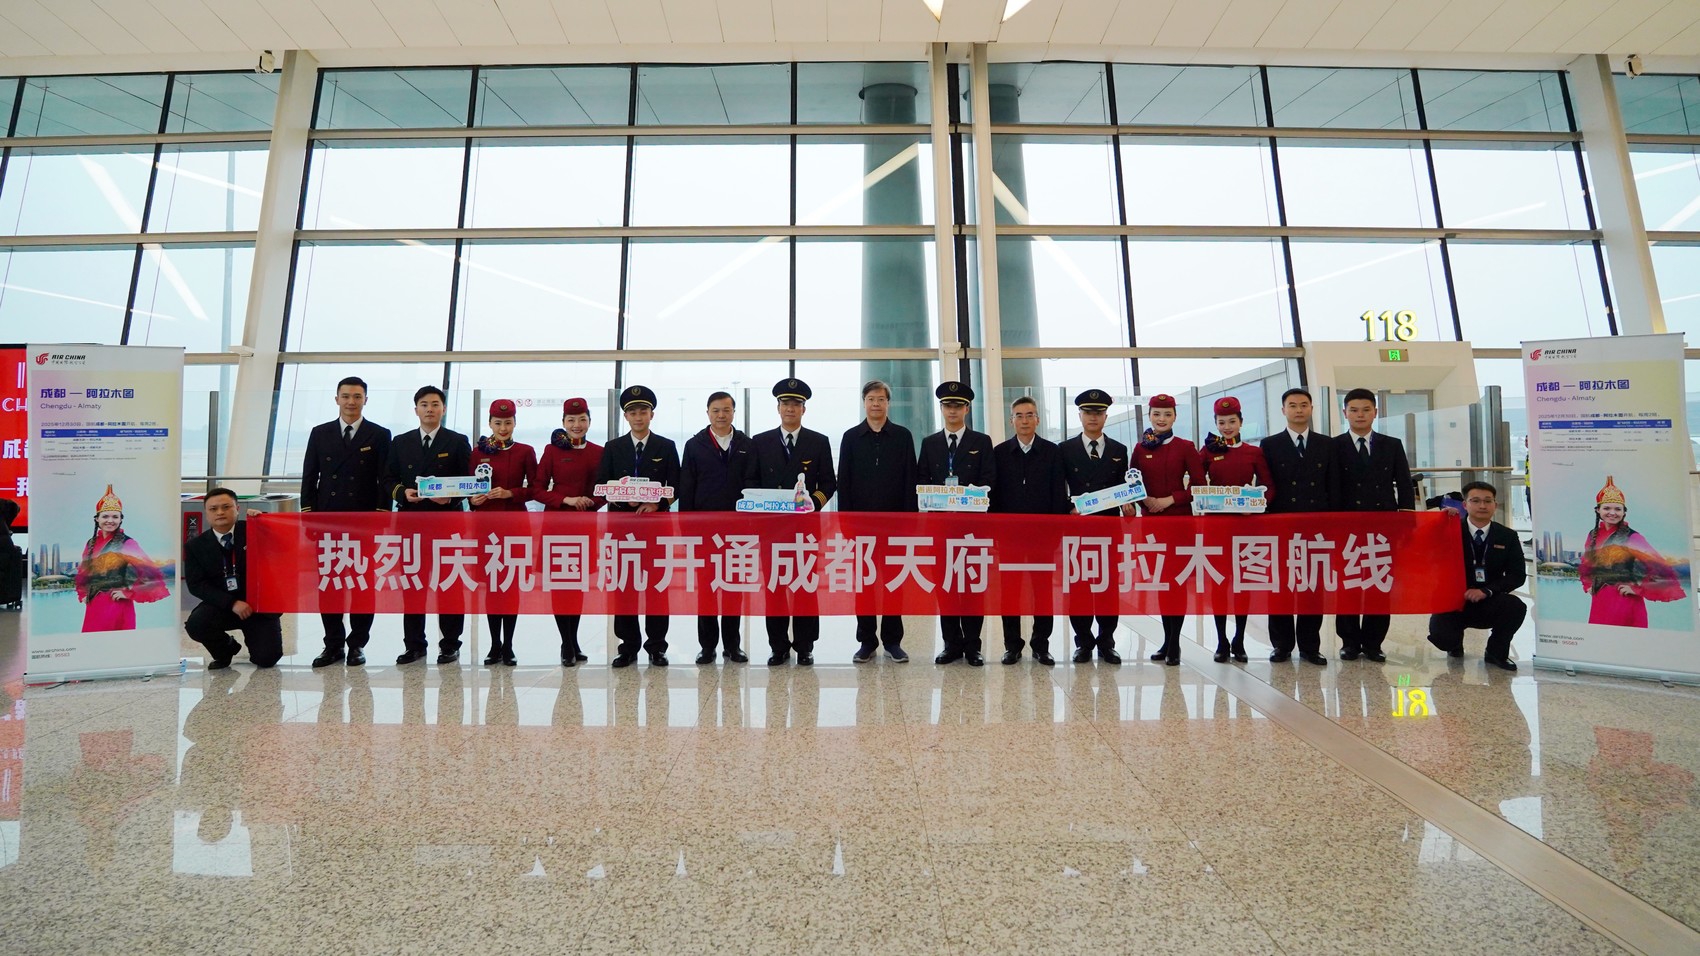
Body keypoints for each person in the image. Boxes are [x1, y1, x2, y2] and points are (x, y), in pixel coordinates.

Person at [301, 375, 392, 668]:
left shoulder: (379, 434)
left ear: (366, 399)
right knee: (330, 585)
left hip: (364, 522)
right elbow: (309, 477)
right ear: (336, 399)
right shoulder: (320, 433)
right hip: (328, 521)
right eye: (346, 396)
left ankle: (357, 645)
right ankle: (333, 645)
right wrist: (309, 516)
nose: (351, 402)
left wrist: (382, 515)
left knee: (363, 585)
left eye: (357, 396)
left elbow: (385, 479)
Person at [383, 385, 473, 666]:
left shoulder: (457, 441)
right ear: (416, 410)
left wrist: (451, 497)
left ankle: (450, 644)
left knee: (450, 584)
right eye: (424, 404)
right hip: (411, 523)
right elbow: (387, 479)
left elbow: (469, 481)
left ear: (443, 409)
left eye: (435, 404)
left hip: (447, 524)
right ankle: (414, 645)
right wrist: (402, 493)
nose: (430, 409)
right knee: (413, 585)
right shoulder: (401, 442)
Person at [750, 378, 836, 666]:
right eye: (785, 403)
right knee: (774, 588)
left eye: (796, 404)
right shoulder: (760, 442)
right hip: (771, 529)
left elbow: (829, 483)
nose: (790, 408)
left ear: (803, 409)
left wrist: (814, 503)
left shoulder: (818, 441)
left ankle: (805, 645)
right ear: (778, 408)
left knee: (805, 587)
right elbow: (751, 480)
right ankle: (778, 646)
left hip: (805, 528)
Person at [596, 385, 681, 668]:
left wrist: (657, 503)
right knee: (624, 586)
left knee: (657, 586)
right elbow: (602, 484)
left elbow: (676, 484)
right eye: (632, 412)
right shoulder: (613, 447)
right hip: (621, 528)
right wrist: (623, 498)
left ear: (651, 414)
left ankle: (657, 646)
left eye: (643, 411)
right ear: (626, 416)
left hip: (655, 528)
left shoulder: (666, 446)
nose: (638, 416)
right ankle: (628, 647)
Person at [1330, 387, 1413, 663]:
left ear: (1375, 412)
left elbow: (1404, 484)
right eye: (1354, 410)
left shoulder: (1392, 444)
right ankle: (1349, 642)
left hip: (1383, 526)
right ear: (1345, 413)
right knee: (1348, 584)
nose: (1360, 415)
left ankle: (1374, 643)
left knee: (1379, 583)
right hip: (1346, 526)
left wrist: (1406, 521)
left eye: (1366, 410)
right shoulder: (1334, 446)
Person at [838, 379, 918, 664]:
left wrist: (910, 523)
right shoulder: (850, 437)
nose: (876, 404)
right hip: (860, 528)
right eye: (871, 399)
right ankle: (867, 641)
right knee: (864, 585)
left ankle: (893, 641)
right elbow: (843, 481)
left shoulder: (902, 436)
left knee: (894, 583)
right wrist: (845, 523)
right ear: (864, 402)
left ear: (888, 403)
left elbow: (910, 480)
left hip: (895, 527)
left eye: (881, 399)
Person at [917, 381, 997, 667]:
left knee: (973, 587)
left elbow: (989, 480)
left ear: (967, 409)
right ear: (941, 409)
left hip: (973, 529)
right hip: (941, 529)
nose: (952, 411)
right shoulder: (930, 443)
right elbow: (922, 481)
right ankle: (951, 644)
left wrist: (968, 495)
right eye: (947, 406)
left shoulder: (981, 442)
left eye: (957, 406)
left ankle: (973, 646)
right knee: (946, 587)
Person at [677, 390, 759, 665]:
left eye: (726, 410)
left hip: (738, 531)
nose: (721, 415)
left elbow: (754, 484)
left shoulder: (748, 444)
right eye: (716, 410)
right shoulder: (694, 445)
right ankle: (707, 646)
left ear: (734, 412)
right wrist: (686, 530)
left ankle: (733, 646)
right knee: (707, 589)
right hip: (704, 531)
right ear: (708, 413)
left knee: (734, 588)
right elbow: (686, 488)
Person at [990, 395, 1069, 665]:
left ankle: (1041, 645)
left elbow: (1058, 493)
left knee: (1042, 591)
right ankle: (1012, 646)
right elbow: (993, 496)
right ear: (1011, 421)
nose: (1024, 421)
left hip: (1042, 538)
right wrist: (996, 533)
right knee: (1010, 592)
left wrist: (1055, 533)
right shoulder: (1000, 453)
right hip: (1009, 537)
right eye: (1019, 416)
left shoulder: (1052, 452)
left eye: (1030, 415)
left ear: (1038, 419)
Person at [1260, 387, 1333, 667]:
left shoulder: (1326, 444)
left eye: (1304, 405)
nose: (1299, 410)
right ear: (1283, 410)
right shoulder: (1269, 444)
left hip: (1317, 525)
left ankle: (1310, 646)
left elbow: (1334, 485)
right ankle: (1281, 645)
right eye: (1293, 405)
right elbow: (1265, 485)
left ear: (1312, 408)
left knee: (1312, 586)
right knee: (1280, 585)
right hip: (1281, 524)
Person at [1060, 389, 1131, 665]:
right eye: (1088, 412)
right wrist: (1068, 507)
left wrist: (1129, 504)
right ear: (1080, 415)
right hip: (1077, 528)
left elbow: (1125, 488)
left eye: (1098, 413)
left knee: (1107, 587)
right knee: (1078, 587)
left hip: (1108, 530)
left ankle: (1107, 642)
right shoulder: (1065, 449)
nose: (1093, 417)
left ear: (1105, 416)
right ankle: (1083, 642)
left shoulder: (1119, 450)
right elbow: (1057, 488)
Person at [1135, 394, 1205, 667]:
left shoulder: (1186, 447)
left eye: (1167, 414)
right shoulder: (1140, 448)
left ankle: (1175, 642)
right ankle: (1166, 639)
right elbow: (1132, 483)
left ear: (1175, 417)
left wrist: (1169, 500)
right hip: (1151, 524)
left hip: (1178, 523)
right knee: (1162, 583)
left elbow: (1198, 485)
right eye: (1156, 414)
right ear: (1149, 416)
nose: (1161, 419)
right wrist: (1145, 501)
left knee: (1177, 583)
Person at [1426, 482, 1527, 670]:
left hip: (1489, 598)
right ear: (1465, 505)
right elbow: (1425, 553)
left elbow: (1517, 575)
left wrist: (1487, 590)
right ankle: (1455, 643)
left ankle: (1496, 652)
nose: (1482, 506)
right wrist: (1440, 522)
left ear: (1495, 505)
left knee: (1516, 607)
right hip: (1453, 601)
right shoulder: (1449, 531)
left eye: (1488, 501)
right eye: (1476, 501)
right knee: (1444, 639)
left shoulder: (1507, 536)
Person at [1200, 396, 1270, 664]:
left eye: (1231, 421)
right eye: (1221, 422)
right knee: (1219, 583)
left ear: (1241, 422)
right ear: (1216, 424)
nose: (1227, 427)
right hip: (1216, 527)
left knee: (1242, 583)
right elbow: (1196, 483)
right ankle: (1221, 640)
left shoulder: (1253, 452)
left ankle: (1239, 639)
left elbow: (1269, 486)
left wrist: (1257, 505)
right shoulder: (1208, 451)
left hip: (1245, 526)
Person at [534, 398, 604, 666]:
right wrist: (566, 500)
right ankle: (566, 643)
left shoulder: (599, 452)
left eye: (582, 419)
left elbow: (604, 490)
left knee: (578, 585)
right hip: (556, 525)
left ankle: (573, 640)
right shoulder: (552, 451)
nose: (577, 425)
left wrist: (590, 502)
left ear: (589, 422)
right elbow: (538, 489)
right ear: (563, 422)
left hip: (584, 525)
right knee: (559, 585)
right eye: (571, 420)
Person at [470, 398, 538, 667]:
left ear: (515, 423)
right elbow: (467, 486)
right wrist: (473, 499)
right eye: (498, 423)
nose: (503, 428)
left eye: (508, 423)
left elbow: (535, 489)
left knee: (510, 584)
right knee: (491, 585)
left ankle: (508, 644)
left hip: (514, 526)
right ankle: (494, 644)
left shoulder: (525, 451)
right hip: (485, 526)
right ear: (489, 423)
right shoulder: (477, 453)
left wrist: (511, 493)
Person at [183, 488, 283, 669]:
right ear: (206, 513)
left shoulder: (254, 530)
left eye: (226, 507)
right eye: (213, 509)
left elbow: (282, 543)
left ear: (237, 509)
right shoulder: (195, 546)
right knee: (196, 624)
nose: (220, 512)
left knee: (267, 659)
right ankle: (226, 648)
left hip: (259, 607)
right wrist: (232, 603)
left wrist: (265, 521)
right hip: (224, 606)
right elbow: (197, 585)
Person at [1579, 476, 1686, 628]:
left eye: (1618, 509)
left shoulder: (1632, 537)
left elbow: (1660, 567)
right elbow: (1587, 563)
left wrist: (1638, 589)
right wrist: (1588, 585)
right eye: (1607, 508)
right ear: (1598, 510)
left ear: (1624, 512)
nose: (1612, 513)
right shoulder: (1593, 535)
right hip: (1599, 600)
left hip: (1624, 601)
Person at [74, 484, 169, 633]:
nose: (110, 520)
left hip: (116, 604)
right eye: (105, 516)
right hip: (94, 605)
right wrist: (84, 593)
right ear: (97, 519)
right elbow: (84, 572)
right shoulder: (91, 543)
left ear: (121, 519)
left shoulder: (127, 543)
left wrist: (128, 593)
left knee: (117, 643)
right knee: (93, 643)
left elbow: (150, 572)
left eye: (115, 517)